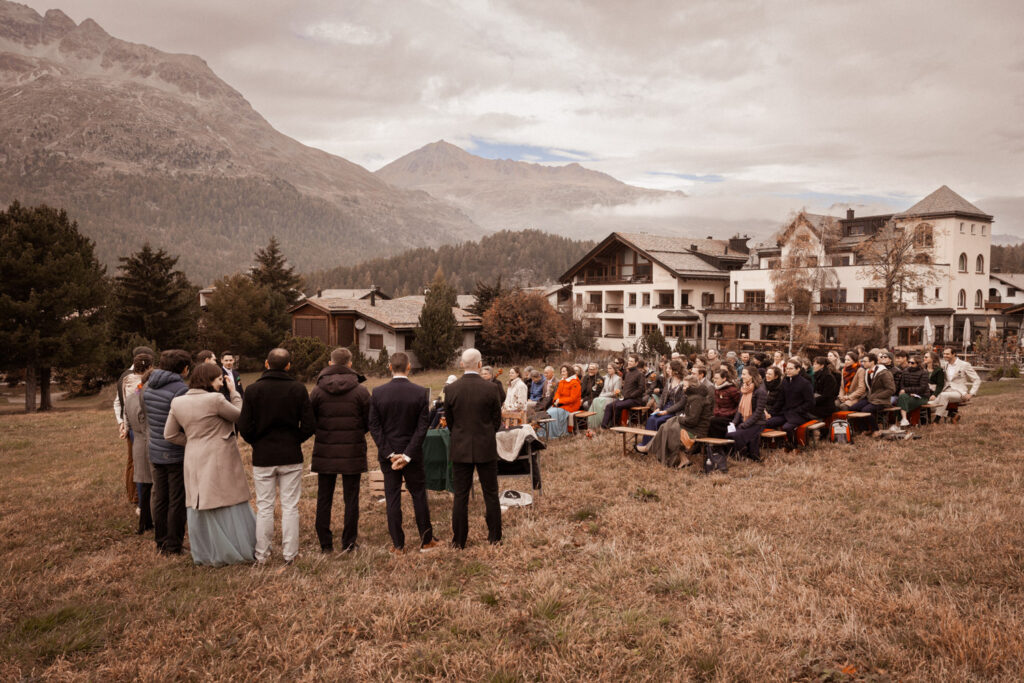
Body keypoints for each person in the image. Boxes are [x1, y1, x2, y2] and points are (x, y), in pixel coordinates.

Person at [164, 362, 255, 566]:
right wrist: (235, 393)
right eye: (219, 379)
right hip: (219, 453)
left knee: (200, 500)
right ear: (209, 380)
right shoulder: (215, 399)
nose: (222, 383)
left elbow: (169, 434)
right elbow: (239, 415)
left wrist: (194, 441)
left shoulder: (178, 402)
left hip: (193, 455)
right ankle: (233, 548)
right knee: (227, 497)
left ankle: (206, 550)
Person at [239, 348, 315, 566]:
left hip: (263, 456)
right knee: (290, 506)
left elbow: (244, 425)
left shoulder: (253, 390)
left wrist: (257, 441)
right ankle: (289, 554)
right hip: (290, 454)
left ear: (266, 364)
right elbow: (309, 424)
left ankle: (262, 554)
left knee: (264, 506)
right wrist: (295, 439)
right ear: (288, 365)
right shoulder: (298, 389)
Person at [368, 351, 438, 554]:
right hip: (412, 455)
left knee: (392, 498)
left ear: (390, 367)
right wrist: (407, 455)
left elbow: (374, 426)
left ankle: (398, 545)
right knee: (418, 495)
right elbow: (422, 427)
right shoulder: (419, 392)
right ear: (408, 367)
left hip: (390, 455)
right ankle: (426, 541)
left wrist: (390, 453)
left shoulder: (378, 392)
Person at [309, 347, 371, 553]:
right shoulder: (361, 391)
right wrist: (356, 432)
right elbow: (368, 421)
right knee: (351, 498)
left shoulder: (317, 391)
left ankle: (325, 543)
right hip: (352, 449)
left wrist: (322, 433)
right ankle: (349, 542)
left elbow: (311, 420)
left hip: (325, 449)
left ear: (330, 364)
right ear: (350, 364)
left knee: (324, 497)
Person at [444, 348, 503, 548]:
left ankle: (459, 540)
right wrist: (485, 432)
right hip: (485, 444)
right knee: (491, 492)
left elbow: (450, 422)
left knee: (460, 495)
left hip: (460, 446)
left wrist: (461, 434)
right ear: (479, 365)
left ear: (462, 364)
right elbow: (496, 420)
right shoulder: (491, 388)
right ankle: (495, 536)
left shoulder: (451, 389)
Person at [143, 349, 191, 555]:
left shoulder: (148, 385)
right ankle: (173, 545)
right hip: (175, 450)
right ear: (184, 369)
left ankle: (160, 541)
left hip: (155, 447)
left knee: (160, 498)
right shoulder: (180, 389)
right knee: (177, 500)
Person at [113, 345, 155, 507]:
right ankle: (138, 498)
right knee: (139, 464)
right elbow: (122, 402)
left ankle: (138, 498)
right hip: (139, 427)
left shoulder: (126, 377)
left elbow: (118, 403)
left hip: (131, 425)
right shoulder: (131, 380)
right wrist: (123, 423)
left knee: (136, 462)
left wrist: (122, 422)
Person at [636, 375, 710, 467]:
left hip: (697, 430)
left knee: (669, 429)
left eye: (686, 386)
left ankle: (649, 448)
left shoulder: (697, 399)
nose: (683, 388)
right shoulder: (692, 397)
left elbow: (692, 421)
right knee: (666, 426)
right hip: (691, 427)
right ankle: (684, 460)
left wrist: (679, 418)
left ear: (692, 387)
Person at [123, 353, 154, 534]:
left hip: (138, 440)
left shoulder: (131, 397)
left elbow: (125, 414)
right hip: (149, 440)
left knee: (142, 477)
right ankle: (148, 514)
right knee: (152, 481)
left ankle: (143, 516)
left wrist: (125, 426)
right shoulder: (146, 397)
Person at [765, 359, 814, 450]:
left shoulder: (805, 383)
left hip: (799, 414)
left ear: (798, 369)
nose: (788, 371)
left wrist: (798, 410)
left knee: (787, 427)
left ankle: (793, 447)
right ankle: (778, 445)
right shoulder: (785, 381)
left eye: (791, 369)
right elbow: (780, 400)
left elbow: (810, 403)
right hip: (785, 413)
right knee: (768, 422)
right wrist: (771, 413)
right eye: (787, 369)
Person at [640, 359, 686, 445]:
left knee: (658, 421)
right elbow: (663, 397)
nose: (667, 370)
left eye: (669, 368)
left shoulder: (683, 383)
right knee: (651, 419)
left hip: (675, 411)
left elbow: (681, 403)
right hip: (666, 406)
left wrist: (666, 411)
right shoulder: (669, 381)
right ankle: (647, 444)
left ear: (675, 370)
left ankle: (656, 445)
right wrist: (658, 408)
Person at [851, 353, 895, 436]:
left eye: (864, 361)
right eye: (862, 361)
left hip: (882, 400)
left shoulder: (884, 373)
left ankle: (876, 430)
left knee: (866, 410)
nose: (862, 363)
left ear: (872, 362)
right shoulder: (867, 371)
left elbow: (891, 389)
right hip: (870, 398)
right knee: (853, 408)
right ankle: (865, 429)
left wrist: (877, 396)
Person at [932, 347, 981, 421]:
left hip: (960, 392)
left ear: (954, 354)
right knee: (931, 404)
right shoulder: (945, 365)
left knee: (944, 396)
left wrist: (971, 393)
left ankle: (936, 420)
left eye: (947, 354)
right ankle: (952, 415)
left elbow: (977, 379)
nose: (945, 355)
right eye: (944, 354)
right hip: (946, 390)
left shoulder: (964, 365)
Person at [731, 367, 768, 461]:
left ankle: (743, 455)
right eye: (742, 374)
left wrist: (745, 424)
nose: (741, 376)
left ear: (751, 376)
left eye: (744, 374)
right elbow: (740, 408)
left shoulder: (760, 391)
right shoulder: (744, 388)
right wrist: (734, 422)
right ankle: (739, 454)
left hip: (757, 423)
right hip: (745, 420)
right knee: (730, 432)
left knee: (738, 434)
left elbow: (759, 412)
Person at [600, 354, 643, 429]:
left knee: (618, 405)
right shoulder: (628, 373)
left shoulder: (640, 374)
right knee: (609, 406)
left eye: (631, 361)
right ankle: (604, 427)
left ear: (636, 363)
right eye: (629, 360)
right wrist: (621, 395)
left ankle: (615, 426)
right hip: (625, 398)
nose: (629, 362)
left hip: (635, 399)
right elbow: (626, 388)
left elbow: (641, 389)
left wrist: (631, 395)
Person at [545, 365, 581, 438]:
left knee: (553, 412)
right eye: (561, 371)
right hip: (561, 404)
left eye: (564, 371)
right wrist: (556, 400)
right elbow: (557, 393)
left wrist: (560, 401)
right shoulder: (562, 381)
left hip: (571, 406)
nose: (562, 373)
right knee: (548, 412)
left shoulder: (575, 382)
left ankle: (557, 433)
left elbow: (573, 398)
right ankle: (547, 432)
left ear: (569, 372)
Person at [895, 355, 930, 427]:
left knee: (902, 398)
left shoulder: (924, 372)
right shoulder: (905, 371)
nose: (910, 364)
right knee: (901, 397)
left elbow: (922, 388)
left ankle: (903, 420)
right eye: (909, 362)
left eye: (912, 363)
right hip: (908, 395)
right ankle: (904, 420)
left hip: (922, 396)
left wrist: (907, 391)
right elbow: (902, 384)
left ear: (918, 363)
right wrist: (907, 391)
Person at [708, 369, 741, 438]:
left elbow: (739, 405)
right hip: (720, 415)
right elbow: (718, 404)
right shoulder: (717, 388)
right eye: (714, 378)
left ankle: (717, 445)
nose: (714, 380)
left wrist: (730, 413)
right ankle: (712, 445)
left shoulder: (732, 390)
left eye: (717, 378)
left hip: (730, 417)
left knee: (713, 421)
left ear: (724, 379)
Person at [588, 364, 620, 430]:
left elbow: (616, 393)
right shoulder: (606, 377)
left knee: (600, 401)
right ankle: (593, 424)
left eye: (610, 368)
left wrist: (603, 395)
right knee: (595, 400)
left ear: (614, 369)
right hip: (604, 397)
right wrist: (601, 395)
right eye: (608, 368)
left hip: (613, 398)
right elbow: (603, 389)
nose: (609, 370)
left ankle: (601, 423)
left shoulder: (618, 379)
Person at [811, 356, 839, 422]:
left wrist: (812, 400)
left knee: (806, 411)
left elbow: (826, 396)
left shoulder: (828, 377)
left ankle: (818, 427)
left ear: (822, 366)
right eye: (813, 364)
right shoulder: (816, 375)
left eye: (815, 364)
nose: (813, 366)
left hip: (826, 406)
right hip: (818, 402)